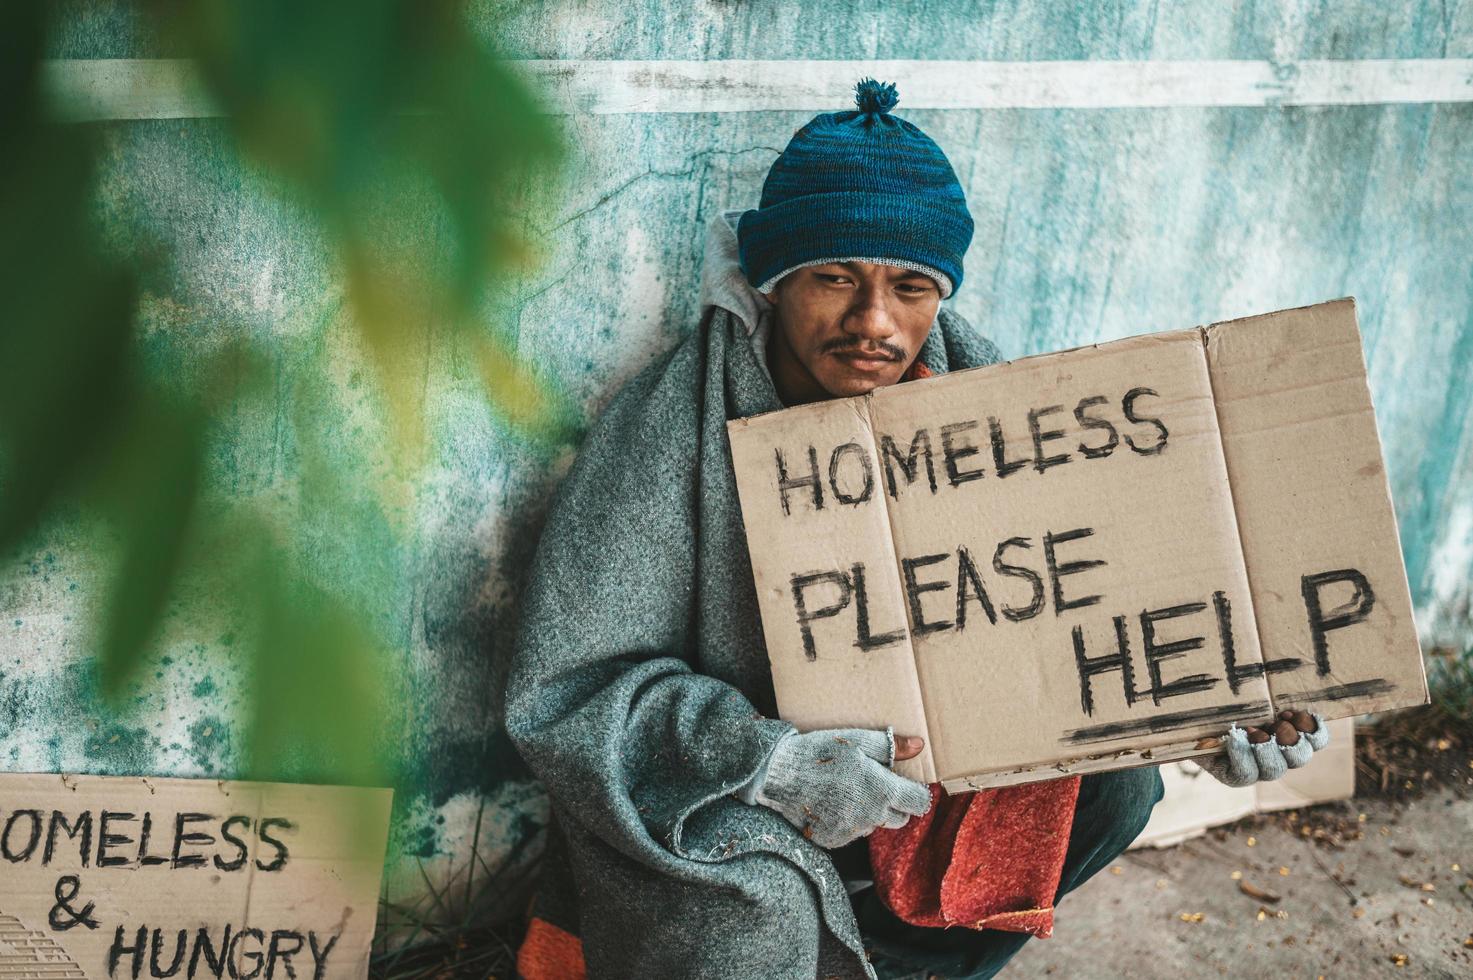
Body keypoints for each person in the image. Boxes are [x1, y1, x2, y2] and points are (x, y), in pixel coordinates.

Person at [504, 78, 1331, 980]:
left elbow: (1085, 611)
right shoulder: (669, 431)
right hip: (733, 790)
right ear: (774, 284)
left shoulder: (992, 407)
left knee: (1114, 792)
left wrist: (1212, 715)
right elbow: (568, 688)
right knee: (755, 902)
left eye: (909, 287)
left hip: (928, 774)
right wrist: (767, 762)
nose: (873, 322)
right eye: (832, 278)